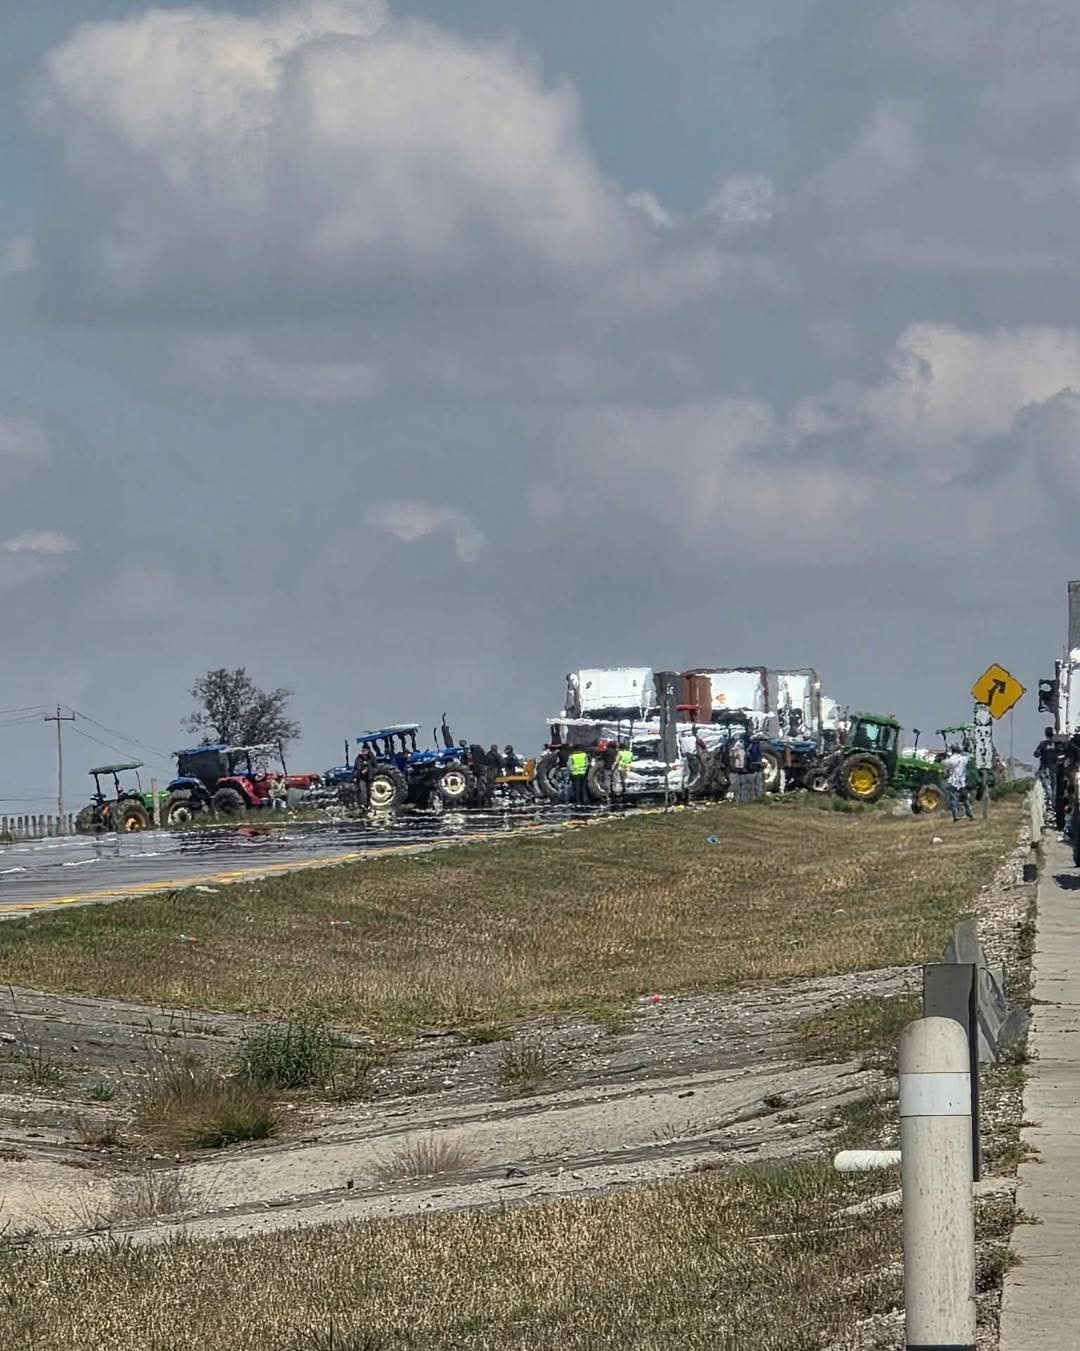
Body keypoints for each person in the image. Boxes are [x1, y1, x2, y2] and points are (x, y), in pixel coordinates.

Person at [943, 743, 974, 822]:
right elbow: (970, 757)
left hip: (953, 782)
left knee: (954, 800)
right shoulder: (964, 758)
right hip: (962, 782)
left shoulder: (951, 759)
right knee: (965, 799)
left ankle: (956, 816)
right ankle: (970, 815)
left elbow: (944, 764)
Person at [1034, 726, 1059, 825]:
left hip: (1045, 768)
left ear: (1045, 733)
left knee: (1047, 789)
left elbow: (1036, 754)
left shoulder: (1043, 744)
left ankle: (1050, 807)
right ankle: (1053, 807)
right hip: (1055, 769)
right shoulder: (1057, 744)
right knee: (1054, 788)